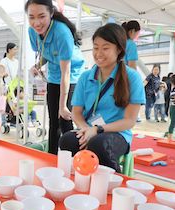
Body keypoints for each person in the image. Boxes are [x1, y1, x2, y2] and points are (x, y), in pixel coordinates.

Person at [59, 23, 145, 172]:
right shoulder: (86, 77)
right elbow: (76, 112)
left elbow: (129, 121)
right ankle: (78, 179)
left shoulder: (132, 78)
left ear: (119, 49)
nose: (98, 53)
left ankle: (112, 184)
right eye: (95, 47)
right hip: (89, 129)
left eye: (105, 48)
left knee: (98, 144)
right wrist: (86, 128)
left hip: (117, 134)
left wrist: (98, 130)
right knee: (67, 140)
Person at [25, 0, 85, 154]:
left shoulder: (62, 32)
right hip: (53, 76)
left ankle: (72, 159)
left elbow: (66, 71)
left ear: (51, 13)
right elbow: (47, 53)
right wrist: (38, 65)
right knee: (53, 122)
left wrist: (63, 105)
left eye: (41, 16)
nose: (36, 22)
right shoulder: (33, 31)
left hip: (71, 77)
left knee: (64, 119)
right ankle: (52, 157)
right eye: (31, 17)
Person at [0, 43, 19, 125]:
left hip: (14, 85)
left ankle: (13, 120)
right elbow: (0, 74)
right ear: (9, 50)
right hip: (5, 85)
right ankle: (3, 122)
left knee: (14, 102)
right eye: (14, 49)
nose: (16, 51)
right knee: (4, 103)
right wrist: (4, 74)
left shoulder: (17, 61)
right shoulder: (3, 61)